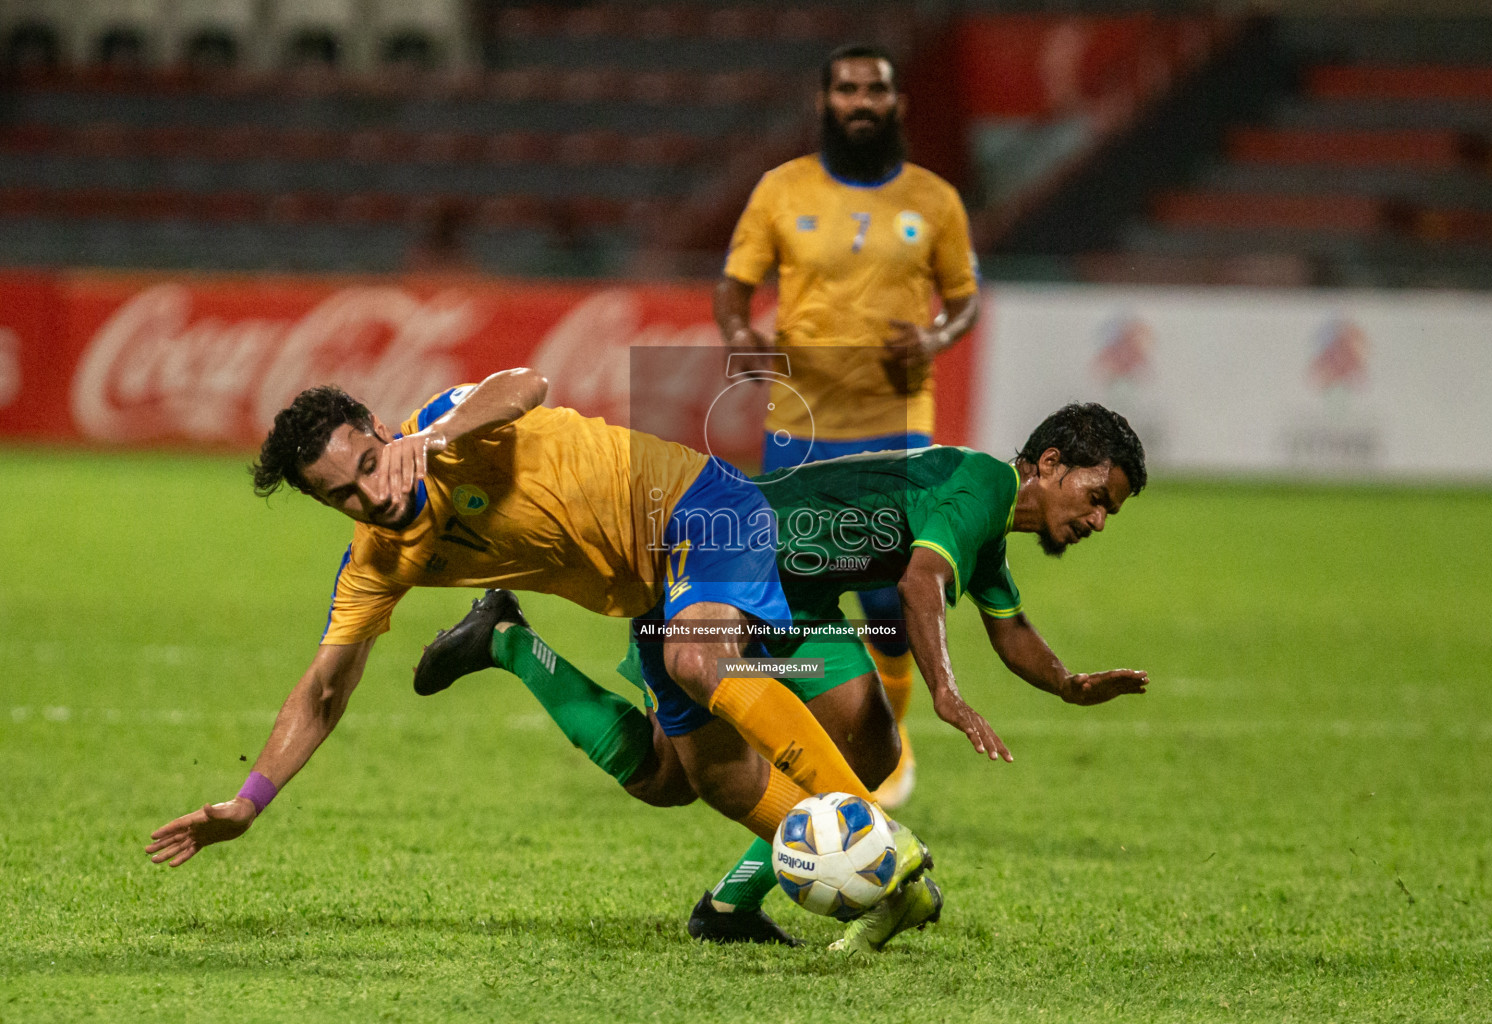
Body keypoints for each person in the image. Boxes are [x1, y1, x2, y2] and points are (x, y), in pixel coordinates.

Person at [143, 370, 931, 931]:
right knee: (694, 781)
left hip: (702, 508)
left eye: (371, 466)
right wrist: (248, 803)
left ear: (384, 434)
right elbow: (322, 692)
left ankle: (878, 847)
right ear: (324, 504)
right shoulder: (377, 561)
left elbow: (524, 385)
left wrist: (443, 431)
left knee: (710, 668)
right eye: (343, 494)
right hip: (655, 591)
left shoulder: (450, 435)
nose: (373, 495)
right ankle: (509, 642)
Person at [416, 402, 1151, 949]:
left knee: (870, 742)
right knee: (671, 778)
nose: (1098, 522)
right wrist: (947, 694)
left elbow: (1009, 625)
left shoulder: (987, 527)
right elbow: (921, 582)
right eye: (1096, 499)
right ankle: (509, 642)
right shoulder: (983, 484)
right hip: (721, 564)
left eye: (1110, 512)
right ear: (1049, 463)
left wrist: (1066, 683)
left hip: (799, 608)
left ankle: (731, 907)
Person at [714, 43, 982, 808]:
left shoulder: (934, 200)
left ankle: (882, 749)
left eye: (875, 90)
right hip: (799, 424)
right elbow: (733, 291)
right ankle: (830, 742)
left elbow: (963, 298)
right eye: (847, 89)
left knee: (889, 599)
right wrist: (742, 334)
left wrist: (933, 336)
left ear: (895, 103)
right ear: (825, 100)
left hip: (895, 425)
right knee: (796, 595)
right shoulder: (780, 189)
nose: (861, 102)